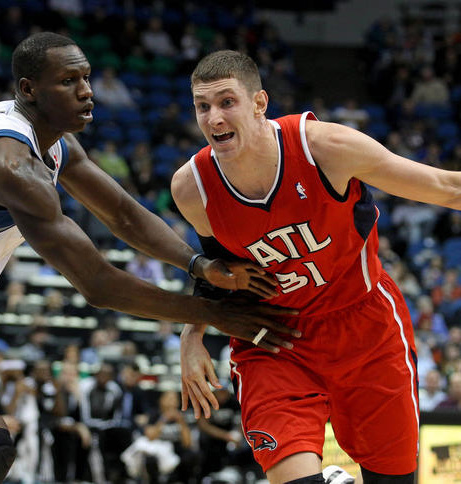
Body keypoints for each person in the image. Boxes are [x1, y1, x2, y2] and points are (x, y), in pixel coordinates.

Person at [0, 33, 294, 484]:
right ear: (29, 90)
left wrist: (196, 264)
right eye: (68, 81)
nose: (86, 91)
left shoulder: (51, 144)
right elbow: (98, 285)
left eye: (86, 78)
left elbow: (123, 214)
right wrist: (216, 314)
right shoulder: (9, 164)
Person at [170, 49, 461, 484]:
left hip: (364, 326)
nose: (213, 118)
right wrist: (192, 333)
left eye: (227, 102)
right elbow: (216, 273)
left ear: (259, 103)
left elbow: (446, 187)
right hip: (273, 335)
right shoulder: (192, 188)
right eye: (203, 106)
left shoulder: (326, 147)